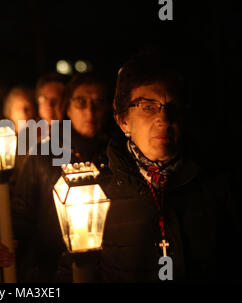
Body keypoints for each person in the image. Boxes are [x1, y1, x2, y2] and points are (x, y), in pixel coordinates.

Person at [75, 48, 241, 282]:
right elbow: (76, 268)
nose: (163, 118)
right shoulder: (95, 193)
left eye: (172, 108)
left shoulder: (217, 183)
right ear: (123, 120)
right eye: (147, 107)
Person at [0, 71, 114, 282]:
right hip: (50, 271)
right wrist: (12, 240)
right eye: (81, 102)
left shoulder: (118, 158)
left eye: (98, 102)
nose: (90, 111)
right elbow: (22, 211)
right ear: (68, 107)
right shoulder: (43, 155)